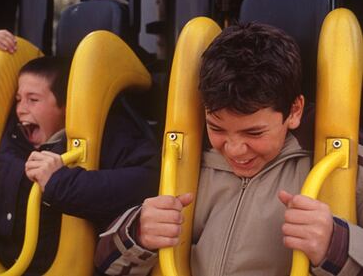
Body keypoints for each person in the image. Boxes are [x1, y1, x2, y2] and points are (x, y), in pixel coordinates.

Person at [94, 22, 363, 275]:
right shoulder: (182, 161)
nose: (234, 150)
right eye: (217, 128)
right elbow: (106, 264)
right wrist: (138, 234)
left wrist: (336, 244)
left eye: (253, 132)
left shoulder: (345, 169)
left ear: (294, 111)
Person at [0, 30, 160, 275]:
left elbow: (147, 179)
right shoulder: (11, 135)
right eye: (18, 99)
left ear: (66, 106)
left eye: (33, 99)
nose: (20, 109)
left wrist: (61, 183)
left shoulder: (103, 136)